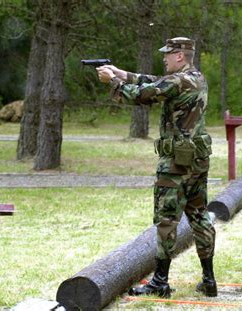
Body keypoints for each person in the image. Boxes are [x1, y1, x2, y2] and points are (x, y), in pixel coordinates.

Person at [96, 37, 217, 298]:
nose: (164, 57)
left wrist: (113, 82)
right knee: (199, 216)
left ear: (180, 56)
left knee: (166, 220)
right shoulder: (196, 77)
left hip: (176, 163)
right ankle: (209, 279)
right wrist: (123, 73)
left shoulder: (177, 81)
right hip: (197, 159)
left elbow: (144, 94)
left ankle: (160, 282)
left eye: (168, 54)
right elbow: (155, 81)